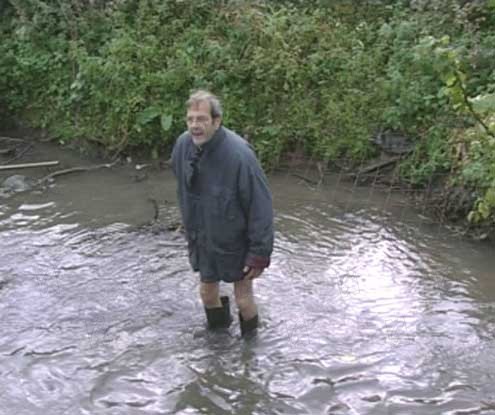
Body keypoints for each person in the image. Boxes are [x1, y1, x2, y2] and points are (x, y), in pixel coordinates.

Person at [171, 90, 274, 336]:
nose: (195, 126)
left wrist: (259, 253)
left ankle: (250, 350)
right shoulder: (183, 146)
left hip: (237, 241)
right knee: (207, 294)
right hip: (204, 237)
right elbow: (182, 184)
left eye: (202, 119)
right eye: (190, 119)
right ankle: (218, 342)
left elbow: (261, 206)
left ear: (216, 122)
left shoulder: (240, 156)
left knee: (243, 298)